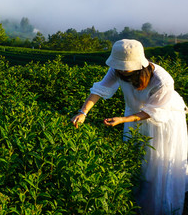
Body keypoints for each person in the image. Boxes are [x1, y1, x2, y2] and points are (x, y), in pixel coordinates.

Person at [71, 39, 188, 214]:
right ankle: (134, 205)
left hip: (162, 120)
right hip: (132, 117)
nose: (120, 70)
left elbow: (153, 112)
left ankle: (159, 208)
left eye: (123, 67)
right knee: (136, 161)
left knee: (155, 166)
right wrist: (83, 112)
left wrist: (123, 120)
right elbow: (100, 89)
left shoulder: (163, 81)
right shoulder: (117, 70)